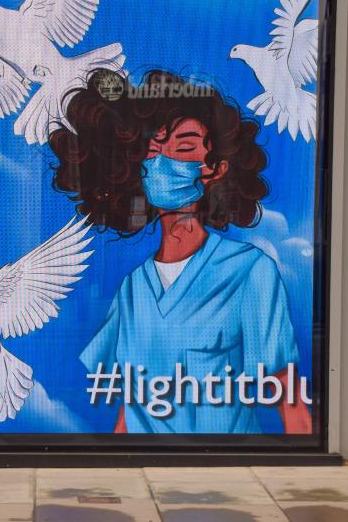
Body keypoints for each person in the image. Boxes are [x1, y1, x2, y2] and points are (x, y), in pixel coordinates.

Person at [50, 69, 312, 434]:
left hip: (224, 467)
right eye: (152, 151)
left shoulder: (251, 273)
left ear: (216, 169)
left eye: (184, 147)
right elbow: (129, 411)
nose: (162, 162)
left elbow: (288, 395)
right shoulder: (134, 289)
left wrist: (295, 471)